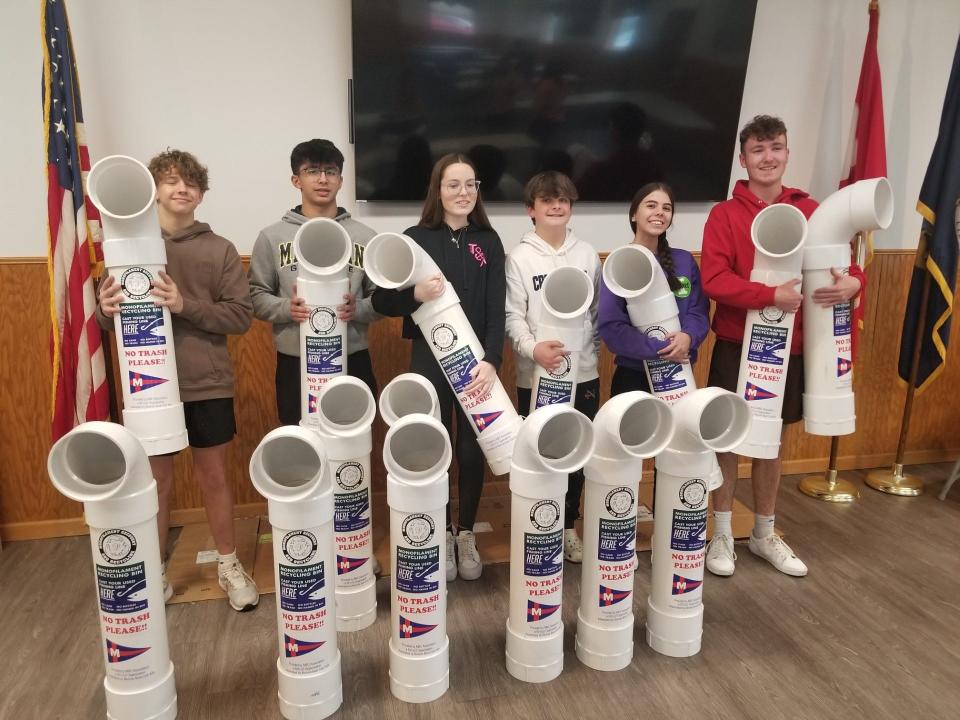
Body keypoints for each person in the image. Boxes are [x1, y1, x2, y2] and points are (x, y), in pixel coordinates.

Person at [700, 115, 865, 577]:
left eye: (776, 147)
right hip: (738, 344)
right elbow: (714, 281)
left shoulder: (813, 209)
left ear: (787, 153)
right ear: (744, 158)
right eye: (758, 149)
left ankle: (764, 533)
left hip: (793, 348)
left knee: (772, 442)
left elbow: (846, 267)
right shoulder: (724, 215)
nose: (768, 157)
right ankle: (722, 533)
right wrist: (769, 295)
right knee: (729, 440)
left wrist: (855, 283)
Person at [97, 150, 259, 611]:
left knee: (213, 478)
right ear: (154, 190)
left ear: (201, 193)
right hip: (147, 390)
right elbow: (113, 323)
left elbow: (240, 317)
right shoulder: (124, 244)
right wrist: (105, 312)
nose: (180, 188)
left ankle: (229, 564)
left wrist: (184, 304)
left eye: (190, 182)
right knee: (156, 482)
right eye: (170, 181)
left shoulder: (220, 248)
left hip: (206, 382)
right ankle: (154, 571)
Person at [371, 153, 506, 582]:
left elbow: (495, 309)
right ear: (438, 190)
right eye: (454, 185)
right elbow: (381, 301)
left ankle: (464, 532)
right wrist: (416, 294)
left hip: (475, 367)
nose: (463, 193)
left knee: (470, 449)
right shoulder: (414, 238)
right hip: (429, 362)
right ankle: (441, 537)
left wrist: (492, 359)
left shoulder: (489, 239)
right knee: (437, 446)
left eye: (471, 184)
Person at [248, 139, 381, 424]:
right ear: (296, 179)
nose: (323, 179)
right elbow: (255, 295)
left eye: (330, 171)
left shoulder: (364, 237)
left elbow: (381, 297)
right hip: (295, 361)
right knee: (303, 448)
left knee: (352, 444)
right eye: (312, 171)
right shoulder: (273, 236)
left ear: (341, 180)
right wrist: (287, 308)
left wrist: (359, 309)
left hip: (352, 357)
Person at [505, 171, 601, 563]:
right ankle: (538, 520)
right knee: (540, 449)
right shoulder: (519, 257)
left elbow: (594, 315)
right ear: (532, 209)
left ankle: (567, 527)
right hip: (536, 375)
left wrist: (585, 354)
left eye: (563, 200)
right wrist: (532, 350)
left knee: (576, 451)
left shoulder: (588, 254)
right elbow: (514, 317)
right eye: (547, 200)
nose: (557, 206)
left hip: (584, 375)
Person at [598, 182, 710, 395]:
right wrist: (660, 349)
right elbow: (611, 327)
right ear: (634, 215)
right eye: (651, 205)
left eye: (666, 208)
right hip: (633, 376)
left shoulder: (684, 261)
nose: (660, 212)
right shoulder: (618, 264)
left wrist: (688, 337)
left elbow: (699, 312)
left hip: (679, 373)